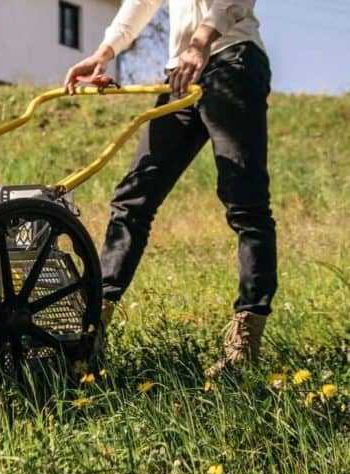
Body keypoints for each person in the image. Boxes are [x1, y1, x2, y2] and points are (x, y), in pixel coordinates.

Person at [64, 0, 276, 375]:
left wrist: (201, 40)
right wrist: (105, 51)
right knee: (133, 197)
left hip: (233, 61)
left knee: (245, 202)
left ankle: (245, 340)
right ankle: (92, 326)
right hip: (181, 70)